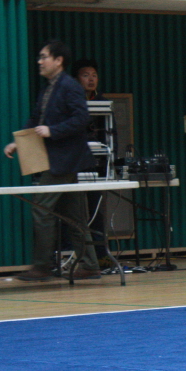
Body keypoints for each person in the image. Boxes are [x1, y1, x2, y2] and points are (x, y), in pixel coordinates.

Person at [3, 40, 102, 281]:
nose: (40, 61)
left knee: (42, 209)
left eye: (44, 57)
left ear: (58, 61)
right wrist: (19, 141)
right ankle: (90, 264)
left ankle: (42, 267)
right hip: (62, 160)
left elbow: (81, 118)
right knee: (75, 217)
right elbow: (35, 119)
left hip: (64, 161)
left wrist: (53, 131)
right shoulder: (49, 88)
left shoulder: (69, 86)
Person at [73, 59, 111, 266]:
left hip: (96, 165)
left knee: (96, 208)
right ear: (76, 79)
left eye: (94, 75)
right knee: (72, 210)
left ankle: (100, 253)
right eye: (85, 75)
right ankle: (72, 254)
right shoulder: (71, 102)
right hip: (74, 164)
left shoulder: (103, 103)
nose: (90, 79)